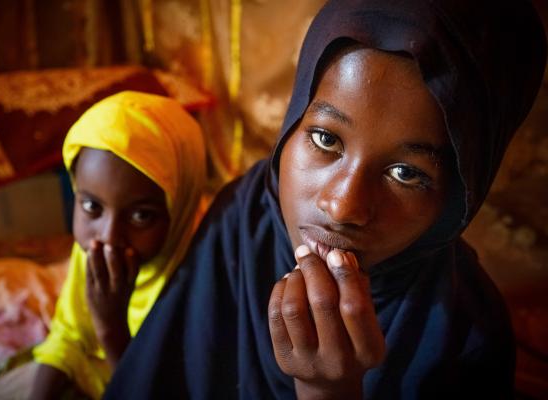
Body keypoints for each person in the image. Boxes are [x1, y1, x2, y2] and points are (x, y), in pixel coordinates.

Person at [103, 0, 546, 399]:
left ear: (456, 200)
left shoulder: (467, 338)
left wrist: (329, 392)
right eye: (325, 138)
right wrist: (110, 332)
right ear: (292, 123)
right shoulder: (243, 219)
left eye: (406, 173)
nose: (342, 206)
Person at [29, 91, 207, 399]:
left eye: (141, 216)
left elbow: (160, 389)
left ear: (178, 209)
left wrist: (110, 327)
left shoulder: (201, 281)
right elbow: (68, 336)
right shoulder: (93, 250)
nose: (109, 237)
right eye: (92, 207)